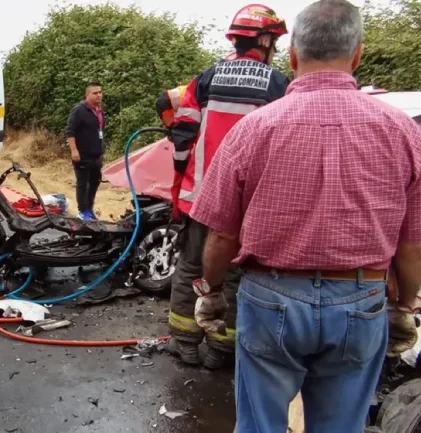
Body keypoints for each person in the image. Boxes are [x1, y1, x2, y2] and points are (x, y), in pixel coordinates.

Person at [188, 1, 421, 431]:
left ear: (294, 56)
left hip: (271, 299)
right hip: (360, 302)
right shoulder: (403, 132)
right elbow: (413, 245)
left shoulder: (254, 129)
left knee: (259, 425)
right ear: (357, 55)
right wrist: (404, 307)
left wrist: (213, 292)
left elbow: (222, 235)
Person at [155, 3, 290, 369]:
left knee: (191, 266)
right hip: (247, 203)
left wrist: (180, 186)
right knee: (231, 273)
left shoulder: (206, 79)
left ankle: (183, 341)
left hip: (200, 198)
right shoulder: (279, 86)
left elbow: (182, 138)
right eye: (274, 41)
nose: (275, 49)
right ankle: (220, 349)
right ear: (263, 40)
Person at [66, 82, 105, 221]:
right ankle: (82, 211)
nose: (99, 95)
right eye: (95, 93)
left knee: (95, 182)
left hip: (96, 155)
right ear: (87, 95)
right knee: (83, 183)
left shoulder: (99, 110)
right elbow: (70, 131)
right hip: (82, 155)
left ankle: (89, 208)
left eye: (100, 92)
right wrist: (74, 150)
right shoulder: (79, 110)